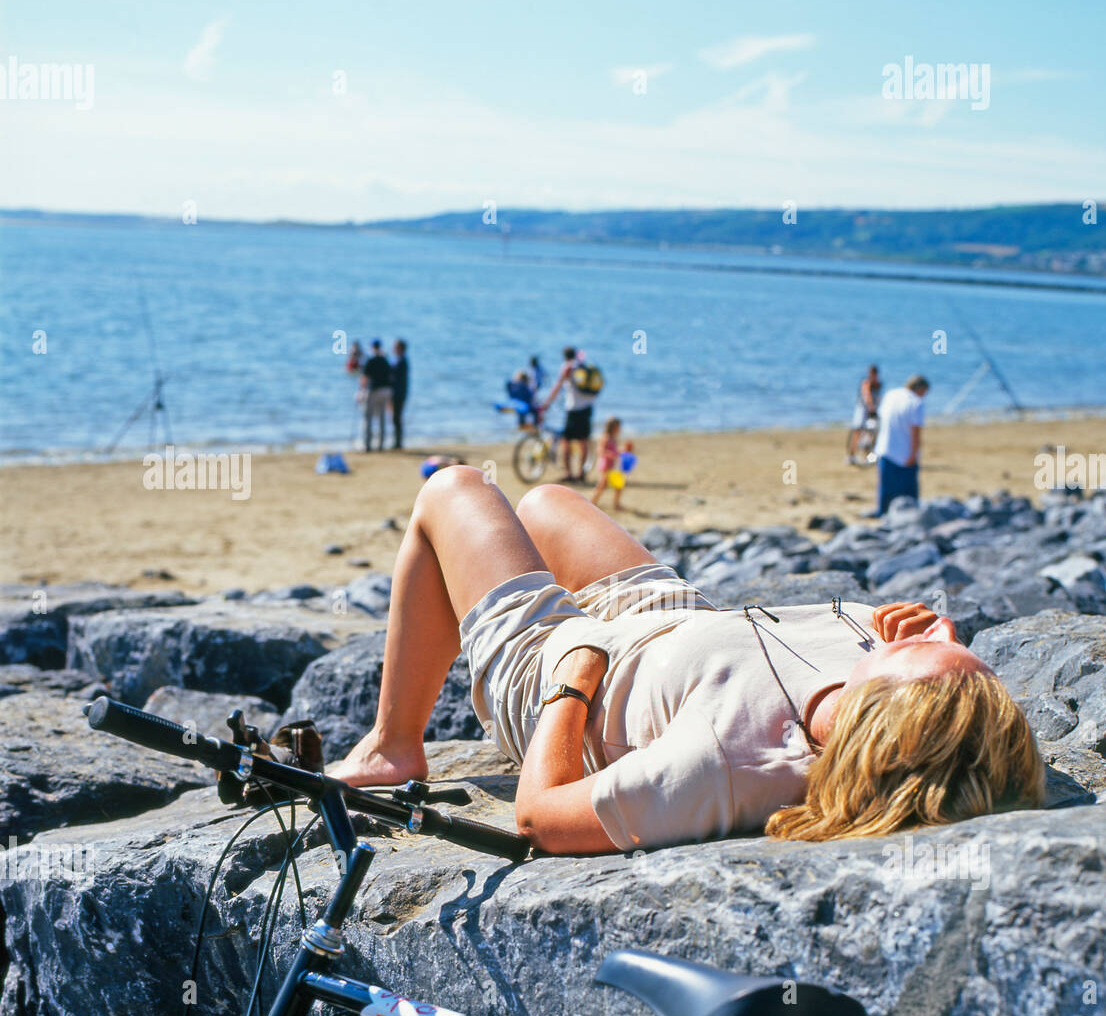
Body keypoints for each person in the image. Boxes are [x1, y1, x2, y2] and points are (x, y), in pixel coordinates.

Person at [328, 474, 1043, 854]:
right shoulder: (892, 693)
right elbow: (963, 734)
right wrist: (912, 638)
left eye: (922, 648)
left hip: (575, 673)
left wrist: (572, 681)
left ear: (881, 716)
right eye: (958, 649)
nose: (939, 629)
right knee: (545, 505)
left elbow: (541, 818)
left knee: (453, 490)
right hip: (673, 616)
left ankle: (393, 747)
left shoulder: (729, 763)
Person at [540, 345, 600, 482]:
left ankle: (569, 474)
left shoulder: (567, 367)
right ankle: (582, 474)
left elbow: (558, 385)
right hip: (587, 408)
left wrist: (547, 403)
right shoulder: (583, 365)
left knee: (566, 441)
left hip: (573, 409)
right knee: (583, 441)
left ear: (564, 356)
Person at [873, 374, 928, 516]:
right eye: (924, 392)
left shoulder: (890, 395)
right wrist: (913, 454)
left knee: (886, 490)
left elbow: (880, 419)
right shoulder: (915, 402)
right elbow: (915, 431)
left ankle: (882, 513)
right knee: (909, 496)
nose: (924, 396)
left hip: (884, 448)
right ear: (920, 388)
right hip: (904, 453)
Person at [847, 364, 882, 464]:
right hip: (863, 409)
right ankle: (851, 456)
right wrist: (871, 408)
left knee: (871, 434)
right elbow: (867, 396)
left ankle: (869, 457)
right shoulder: (866, 383)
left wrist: (875, 409)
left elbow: (878, 397)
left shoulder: (878, 384)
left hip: (872, 410)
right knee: (858, 431)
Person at [362, 340, 394, 452]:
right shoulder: (385, 359)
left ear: (372, 347)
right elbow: (391, 375)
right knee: (382, 418)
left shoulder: (370, 360)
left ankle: (367, 444)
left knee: (368, 417)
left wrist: (362, 391)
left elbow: (365, 377)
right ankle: (381, 444)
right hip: (386, 390)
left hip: (374, 390)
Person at [591, 416, 624, 510]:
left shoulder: (613, 438)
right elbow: (600, 450)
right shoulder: (605, 438)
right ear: (614, 427)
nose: (620, 429)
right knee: (602, 485)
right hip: (606, 465)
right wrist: (611, 454)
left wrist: (621, 451)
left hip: (612, 466)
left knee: (618, 485)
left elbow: (614, 450)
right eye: (619, 427)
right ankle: (593, 502)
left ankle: (616, 504)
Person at [389, 340, 410, 450]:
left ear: (401, 349)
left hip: (399, 394)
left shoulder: (402, 361)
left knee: (396, 418)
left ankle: (398, 442)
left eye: (396, 347)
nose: (394, 349)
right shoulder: (400, 360)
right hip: (399, 393)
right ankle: (397, 441)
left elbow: (393, 374)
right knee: (396, 418)